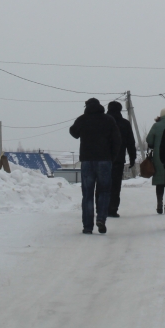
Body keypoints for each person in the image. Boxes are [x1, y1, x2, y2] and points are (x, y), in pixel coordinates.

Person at [69, 98, 121, 234]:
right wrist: (112, 157)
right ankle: (101, 219)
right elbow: (117, 140)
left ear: (86, 106)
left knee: (87, 194)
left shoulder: (82, 119)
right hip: (104, 160)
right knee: (104, 191)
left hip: (87, 161)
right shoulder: (108, 120)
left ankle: (87, 226)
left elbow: (73, 132)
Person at [106, 101, 137, 218]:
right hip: (118, 159)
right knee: (115, 185)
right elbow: (130, 142)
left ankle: (101, 207)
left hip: (103, 158)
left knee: (102, 184)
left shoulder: (103, 122)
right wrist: (132, 157)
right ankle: (113, 209)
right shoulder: (124, 123)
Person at [146, 109, 165, 214]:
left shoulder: (156, 126)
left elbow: (149, 140)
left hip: (158, 156)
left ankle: (159, 205)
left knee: (160, 182)